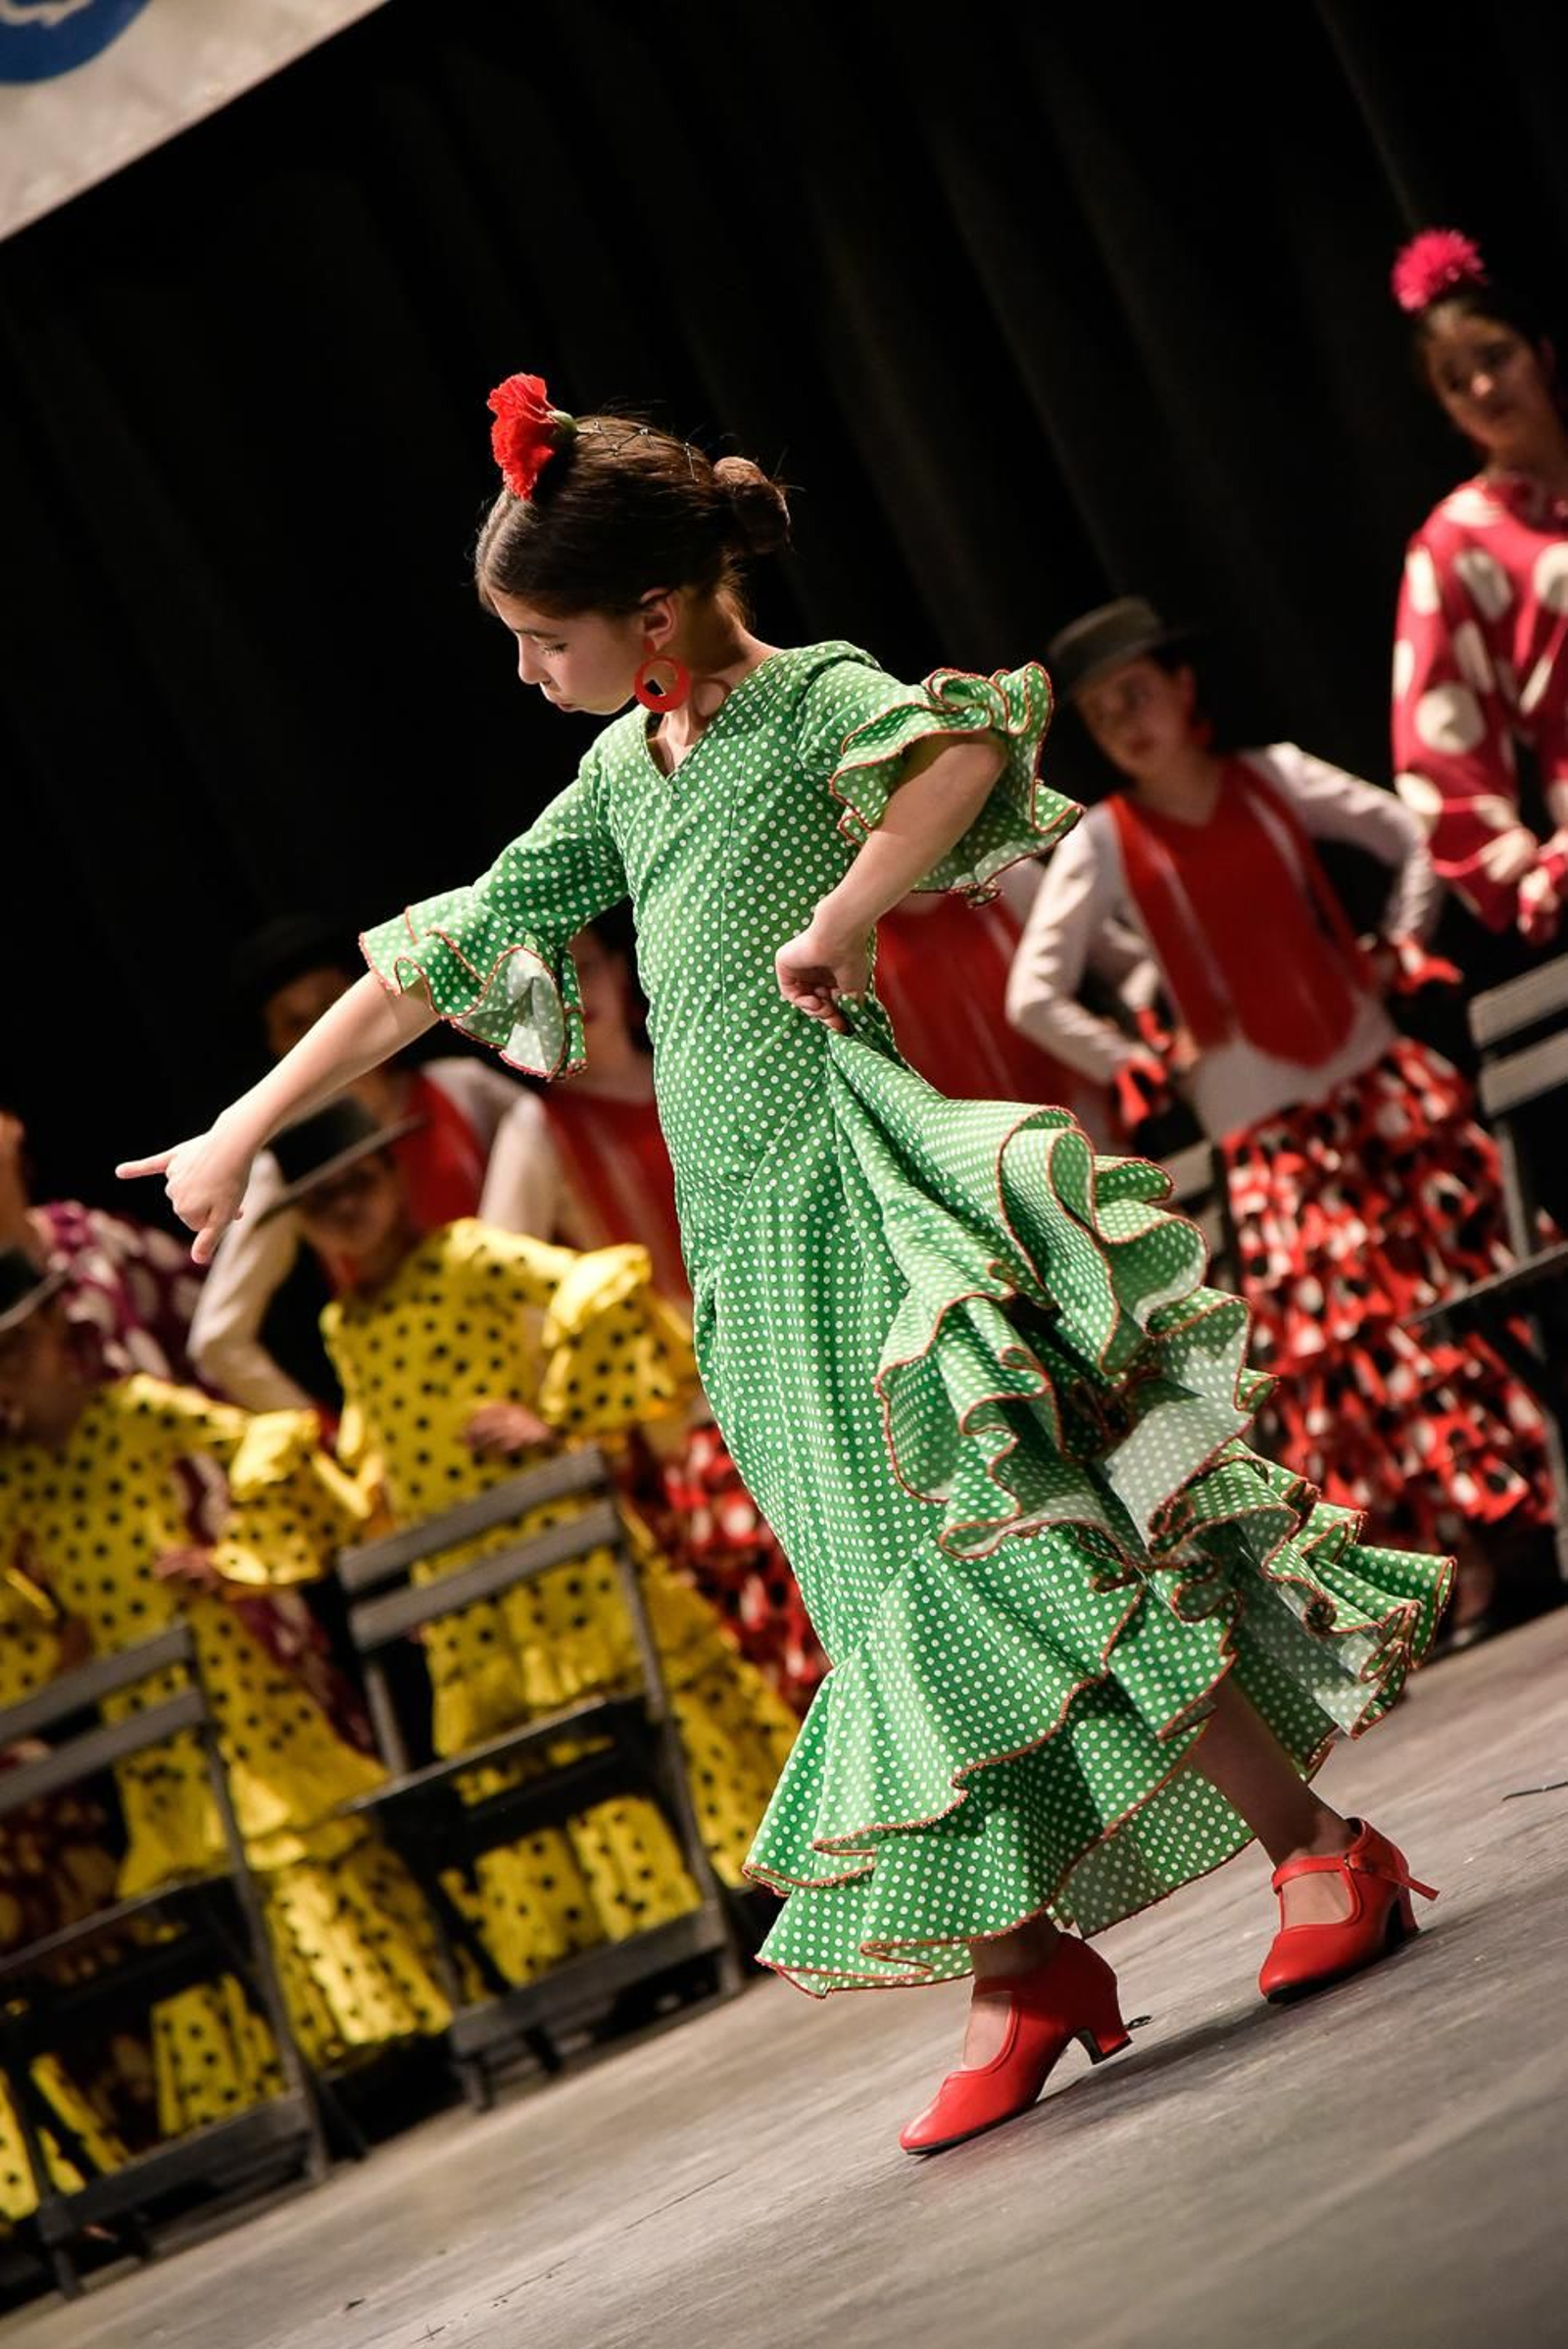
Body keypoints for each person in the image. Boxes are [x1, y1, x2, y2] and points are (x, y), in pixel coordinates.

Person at [122, 375, 1450, 2158]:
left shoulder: (801, 698)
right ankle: (1025, 1962)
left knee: (1038, 1541)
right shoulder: (622, 771)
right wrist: (242, 1120)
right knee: (872, 1596)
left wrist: (845, 909)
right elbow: (439, 953)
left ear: (651, 616)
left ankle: (1316, 1843)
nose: (527, 672)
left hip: (868, 1200)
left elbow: (965, 748)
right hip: (745, 1249)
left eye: (543, 637)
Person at [1007, 595, 1550, 1634]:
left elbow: (1407, 832)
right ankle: (1450, 1561)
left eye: (1137, 693)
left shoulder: (1274, 777)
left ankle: (1527, 1511)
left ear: (1181, 688)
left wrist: (1398, 943)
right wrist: (1133, 1058)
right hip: (1270, 1139)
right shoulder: (1106, 846)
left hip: (1378, 1095)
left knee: (1465, 1287)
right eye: (1102, 710)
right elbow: (1032, 992)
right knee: (1358, 1349)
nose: (1127, 722)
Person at [261, 1095, 796, 1980]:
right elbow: (370, 1434)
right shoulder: (341, 1324)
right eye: (323, 1204)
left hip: (548, 1538)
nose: (347, 1211)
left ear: (394, 1179)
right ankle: (623, 1944)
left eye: (358, 1184)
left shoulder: (468, 1254)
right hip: (460, 1571)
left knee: (627, 1696)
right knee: (524, 1745)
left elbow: (595, 1282)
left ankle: (736, 1893)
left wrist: (556, 1416)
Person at [0, 1249, 453, 2138]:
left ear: (57, 1328)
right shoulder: (16, 1477)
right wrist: (50, 1643)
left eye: (16, 1346)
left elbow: (265, 1438)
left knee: (281, 1846)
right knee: (200, 1878)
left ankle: (385, 2044)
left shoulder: (130, 1409)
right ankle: (283, 2091)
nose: (8, 1371)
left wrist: (233, 1557)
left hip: (216, 1679)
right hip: (135, 1716)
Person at [190, 912, 562, 1413]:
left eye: (330, 1006)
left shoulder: (461, 1091)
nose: (318, 1029)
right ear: (277, 1046)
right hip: (415, 1409)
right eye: (295, 1023)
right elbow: (218, 1337)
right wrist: (320, 1438)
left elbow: (557, 1181)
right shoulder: (285, 1168)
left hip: (535, 1376)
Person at [1390, 228, 1568, 956]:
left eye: (1495, 358)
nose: (1485, 389)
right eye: (1456, 382)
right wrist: (1523, 869)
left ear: (1542, 352)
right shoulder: (1456, 542)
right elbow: (1434, 738)